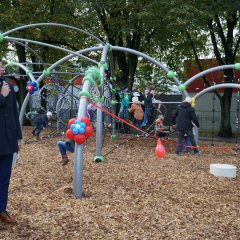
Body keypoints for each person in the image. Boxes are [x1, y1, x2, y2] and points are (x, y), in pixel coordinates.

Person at [0, 61, 22, 224]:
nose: (2, 69)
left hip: (7, 141)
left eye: (2, 66)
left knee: (4, 178)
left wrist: (17, 137)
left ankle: (1, 209)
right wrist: (2, 96)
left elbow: (14, 113)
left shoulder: (8, 85)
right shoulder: (4, 90)